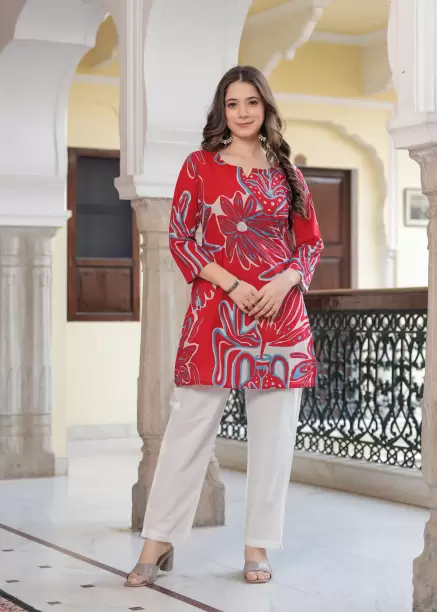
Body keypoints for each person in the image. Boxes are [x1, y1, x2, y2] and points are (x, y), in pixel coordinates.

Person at [125, 65, 323, 587]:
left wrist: (285, 282)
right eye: (233, 104)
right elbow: (181, 238)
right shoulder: (199, 166)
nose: (242, 112)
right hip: (216, 315)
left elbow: (310, 244)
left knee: (274, 441)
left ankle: (258, 545)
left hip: (279, 320)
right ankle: (158, 540)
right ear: (222, 111)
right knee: (187, 430)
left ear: (266, 107)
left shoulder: (288, 174)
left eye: (252, 102)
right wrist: (233, 285)